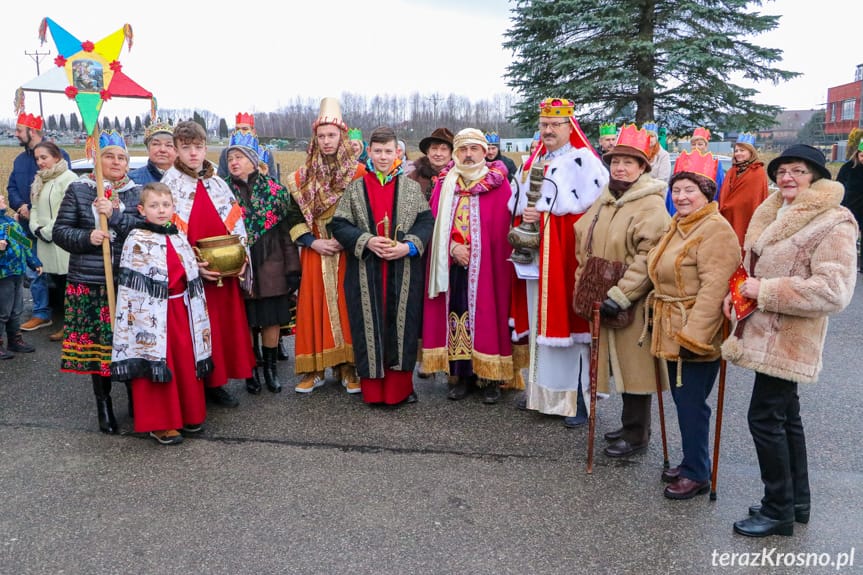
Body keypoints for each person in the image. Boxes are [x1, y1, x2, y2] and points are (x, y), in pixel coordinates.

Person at [722, 145, 857, 538]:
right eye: (782, 171)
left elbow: (834, 290)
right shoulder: (777, 211)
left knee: (764, 419)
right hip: (768, 331)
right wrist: (742, 294)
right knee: (786, 419)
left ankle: (777, 510)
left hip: (790, 337)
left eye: (797, 171)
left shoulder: (834, 221)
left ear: (815, 175)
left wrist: (764, 289)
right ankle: (797, 502)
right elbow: (757, 266)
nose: (787, 178)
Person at [644, 157, 740, 499]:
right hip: (671, 326)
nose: (682, 196)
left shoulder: (715, 229)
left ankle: (698, 473)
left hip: (694, 332)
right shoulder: (679, 224)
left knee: (691, 403)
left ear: (706, 194)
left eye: (690, 190)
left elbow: (716, 288)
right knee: (685, 400)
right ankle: (690, 461)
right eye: (677, 190)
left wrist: (695, 337)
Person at [510, 97, 608, 428]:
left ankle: (576, 401)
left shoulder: (583, 162)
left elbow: (589, 217)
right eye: (544, 124)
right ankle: (542, 396)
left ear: (570, 127)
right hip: (536, 257)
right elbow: (519, 203)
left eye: (555, 125)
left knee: (570, 327)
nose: (548, 130)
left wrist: (548, 217)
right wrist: (524, 217)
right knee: (540, 324)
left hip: (564, 259)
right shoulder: (532, 162)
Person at [574, 124, 670, 454]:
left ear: (643, 167)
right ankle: (629, 426)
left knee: (635, 367)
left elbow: (649, 256)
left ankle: (637, 435)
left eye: (629, 162)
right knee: (614, 364)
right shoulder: (606, 200)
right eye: (616, 161)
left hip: (632, 299)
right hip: (601, 291)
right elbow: (582, 236)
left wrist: (622, 293)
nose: (620, 167)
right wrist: (583, 280)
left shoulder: (651, 205)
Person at [330, 126, 434, 406]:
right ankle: (374, 391)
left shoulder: (411, 188)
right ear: (370, 152)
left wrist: (408, 246)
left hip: (404, 271)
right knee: (369, 327)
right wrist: (366, 240)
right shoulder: (356, 188)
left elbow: (426, 222)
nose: (383, 156)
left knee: (403, 327)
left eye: (389, 151)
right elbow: (338, 224)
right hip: (366, 271)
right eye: (378, 151)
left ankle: (400, 390)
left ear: (397, 152)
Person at [53, 130, 143, 434]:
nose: (116, 162)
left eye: (121, 157)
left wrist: (115, 216)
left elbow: (145, 228)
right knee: (99, 349)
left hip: (128, 281)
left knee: (130, 345)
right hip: (90, 282)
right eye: (109, 156)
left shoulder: (136, 192)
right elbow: (60, 231)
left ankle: (136, 400)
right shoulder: (79, 190)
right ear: (97, 159)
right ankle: (103, 405)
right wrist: (87, 237)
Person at [162, 121, 256, 409]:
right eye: (186, 147)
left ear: (206, 148)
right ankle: (200, 384)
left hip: (224, 273)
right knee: (197, 330)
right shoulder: (169, 185)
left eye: (198, 147)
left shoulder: (217, 182)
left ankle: (219, 381)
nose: (193, 153)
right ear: (176, 149)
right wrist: (194, 266)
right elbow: (168, 234)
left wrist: (241, 259)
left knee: (223, 327)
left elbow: (236, 222)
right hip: (193, 274)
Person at [111, 183, 213, 445]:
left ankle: (189, 413)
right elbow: (133, 281)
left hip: (183, 308)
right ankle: (161, 423)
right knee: (160, 363)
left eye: (165, 205)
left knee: (184, 362)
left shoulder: (177, 234)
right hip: (153, 313)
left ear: (173, 207)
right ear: (142, 209)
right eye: (154, 206)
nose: (161, 210)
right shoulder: (137, 238)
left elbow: (184, 267)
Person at [421, 128, 513, 404]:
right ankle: (462, 375)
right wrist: (452, 248)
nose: (469, 154)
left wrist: (480, 250)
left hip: (489, 267)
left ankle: (491, 378)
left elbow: (503, 228)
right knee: (456, 316)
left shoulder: (499, 184)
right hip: (453, 264)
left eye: (474, 149)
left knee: (489, 315)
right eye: (463, 149)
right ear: (456, 153)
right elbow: (435, 225)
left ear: (485, 152)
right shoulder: (444, 183)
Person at [285, 97, 365, 393]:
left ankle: (347, 367)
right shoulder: (301, 177)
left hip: (346, 253)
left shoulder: (358, 174)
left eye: (332, 135)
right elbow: (293, 217)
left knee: (347, 307)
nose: (327, 141)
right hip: (315, 251)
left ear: (342, 137)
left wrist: (347, 240)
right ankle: (313, 369)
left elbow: (364, 214)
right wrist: (312, 242)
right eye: (322, 136)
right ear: (315, 139)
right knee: (313, 308)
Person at [224, 130, 301, 395]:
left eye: (239, 157)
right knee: (246, 322)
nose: (234, 162)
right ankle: (251, 371)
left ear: (254, 161)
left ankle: (270, 370)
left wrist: (292, 269)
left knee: (270, 320)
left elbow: (287, 233)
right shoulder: (222, 192)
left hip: (271, 266)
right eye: (230, 157)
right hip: (238, 266)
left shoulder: (276, 192)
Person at [7, 113, 71, 332]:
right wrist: (21, 206)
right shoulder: (19, 160)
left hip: (53, 228)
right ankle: (41, 313)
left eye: (19, 131)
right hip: (28, 225)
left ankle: (70, 318)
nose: (15, 135)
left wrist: (37, 214)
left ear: (31, 131)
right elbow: (12, 188)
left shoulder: (60, 158)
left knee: (64, 274)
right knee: (35, 272)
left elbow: (61, 194)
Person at [28, 141, 77, 341]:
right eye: (37, 159)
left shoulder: (69, 178)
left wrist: (48, 231)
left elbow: (67, 210)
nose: (40, 162)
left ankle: (72, 327)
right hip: (45, 241)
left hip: (62, 242)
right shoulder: (41, 180)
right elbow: (35, 207)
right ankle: (67, 326)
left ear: (56, 157)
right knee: (58, 285)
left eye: (44, 157)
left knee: (70, 287)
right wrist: (35, 228)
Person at [0, 191, 42, 359]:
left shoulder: (11, 223)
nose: (2, 198)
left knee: (17, 309)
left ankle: (14, 340)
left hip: (17, 272)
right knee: (3, 311)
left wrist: (35, 262)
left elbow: (25, 245)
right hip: (3, 275)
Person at [717, 133, 769, 247]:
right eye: (736, 151)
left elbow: (751, 197)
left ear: (751, 152)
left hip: (746, 216)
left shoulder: (757, 172)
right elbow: (724, 192)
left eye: (742, 150)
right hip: (728, 215)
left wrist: (731, 204)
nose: (738, 153)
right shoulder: (732, 171)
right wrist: (724, 206)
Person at [667, 127, 725, 215]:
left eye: (700, 144)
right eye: (693, 144)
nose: (696, 147)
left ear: (706, 146)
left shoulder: (714, 164)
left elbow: (718, 187)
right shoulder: (683, 161)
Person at [217, 113, 277, 180]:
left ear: (253, 131)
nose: (240, 132)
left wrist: (263, 176)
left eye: (245, 129)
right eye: (237, 129)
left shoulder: (265, 153)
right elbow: (220, 180)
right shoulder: (226, 152)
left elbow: (274, 181)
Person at [837, 140, 863, 271]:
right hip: (851, 209)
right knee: (848, 239)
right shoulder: (848, 168)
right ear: (857, 154)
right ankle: (845, 265)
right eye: (862, 155)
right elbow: (839, 188)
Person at [410, 127, 454, 200]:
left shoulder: (459, 179)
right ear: (427, 152)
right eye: (434, 148)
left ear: (452, 153)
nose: (438, 154)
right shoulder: (413, 178)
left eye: (444, 149)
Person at [128, 120, 177, 185]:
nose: (162, 150)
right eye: (156, 144)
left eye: (169, 145)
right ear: (147, 148)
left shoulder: (189, 179)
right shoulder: (131, 180)